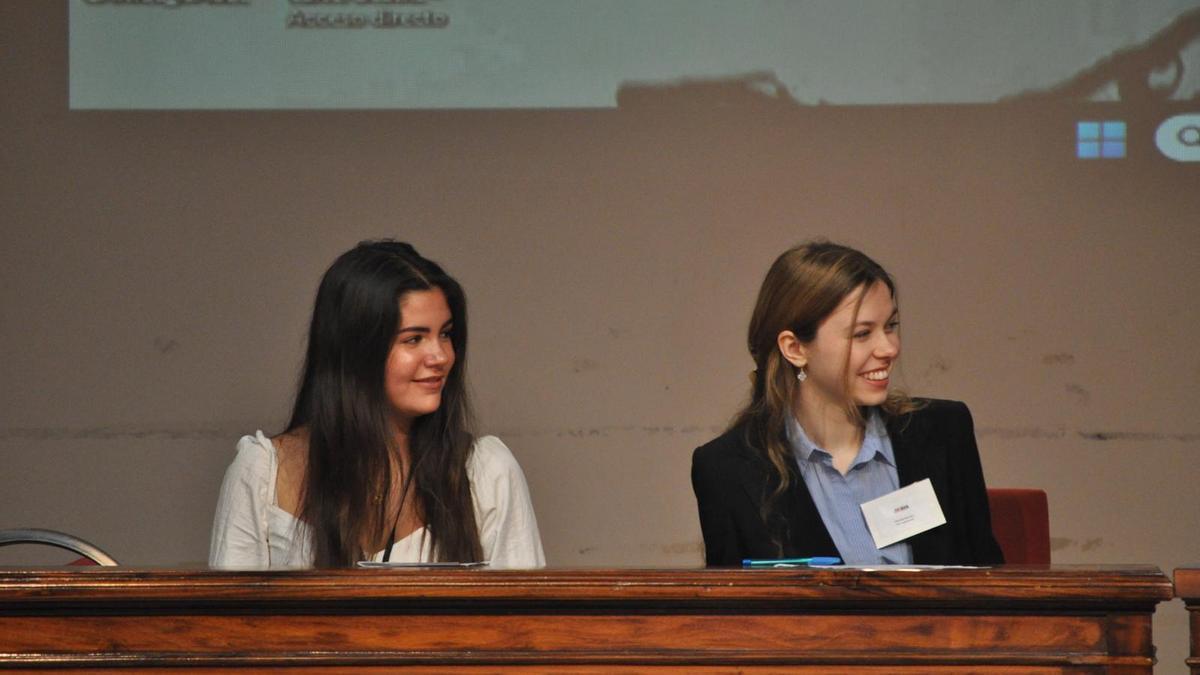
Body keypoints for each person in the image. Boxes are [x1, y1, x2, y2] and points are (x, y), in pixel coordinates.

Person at [210, 240, 544, 569]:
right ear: (355, 353)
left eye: (446, 334)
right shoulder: (261, 473)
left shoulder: (487, 472)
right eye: (414, 339)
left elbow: (527, 621)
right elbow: (225, 622)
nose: (441, 356)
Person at [691, 241, 1003, 566]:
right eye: (862, 334)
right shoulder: (728, 468)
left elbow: (988, 583)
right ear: (795, 348)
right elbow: (732, 612)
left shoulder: (944, 432)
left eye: (890, 327)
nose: (889, 348)